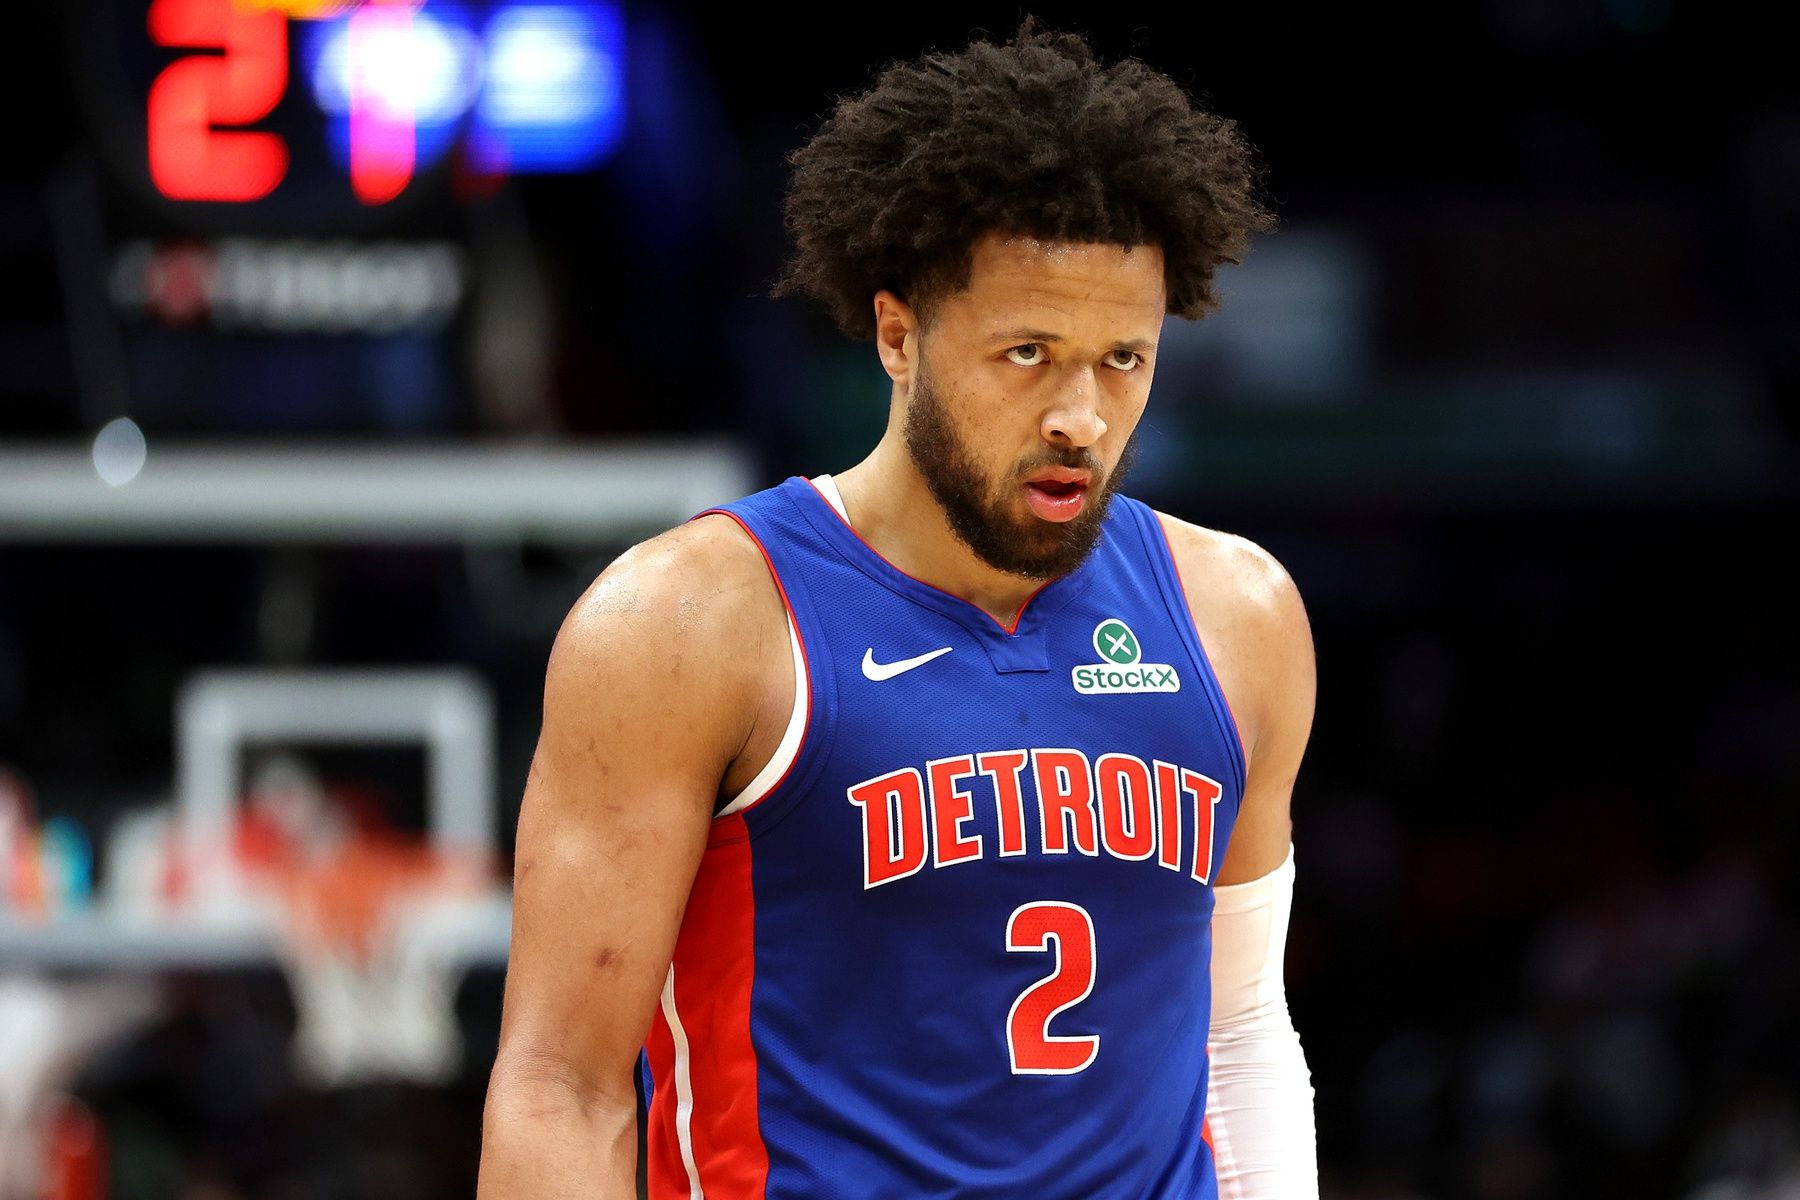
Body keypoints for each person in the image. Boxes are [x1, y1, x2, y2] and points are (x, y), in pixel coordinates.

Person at [478, 21, 1318, 1200]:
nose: (1079, 413)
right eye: (1026, 353)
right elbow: (561, 1087)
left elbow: (1242, 1036)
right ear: (896, 335)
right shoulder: (691, 624)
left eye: (1121, 360)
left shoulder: (1239, 614)